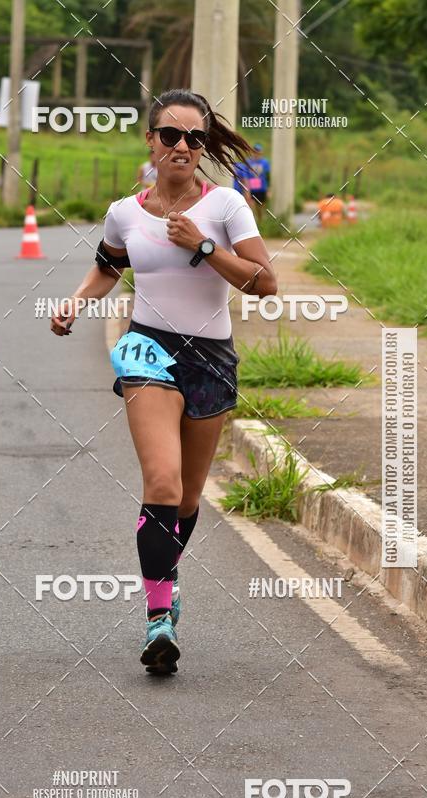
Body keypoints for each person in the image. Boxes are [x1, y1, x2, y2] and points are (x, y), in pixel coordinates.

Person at [50, 89, 277, 675]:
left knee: (189, 499)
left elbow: (263, 283)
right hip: (146, 348)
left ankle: (165, 580)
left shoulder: (226, 206)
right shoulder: (125, 211)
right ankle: (158, 620)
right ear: (151, 141)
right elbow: (107, 265)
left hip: (210, 355)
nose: (182, 147)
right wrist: (76, 303)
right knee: (162, 479)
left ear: (203, 148)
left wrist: (201, 247)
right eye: (171, 136)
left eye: (194, 139)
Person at [244, 143, 270, 222]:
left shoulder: (265, 162)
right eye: (254, 151)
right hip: (251, 189)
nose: (256, 153)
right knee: (251, 207)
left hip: (262, 188)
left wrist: (269, 190)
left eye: (258, 151)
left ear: (261, 152)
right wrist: (246, 190)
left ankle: (261, 222)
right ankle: (253, 224)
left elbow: (268, 176)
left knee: (261, 207)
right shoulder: (248, 162)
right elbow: (246, 177)